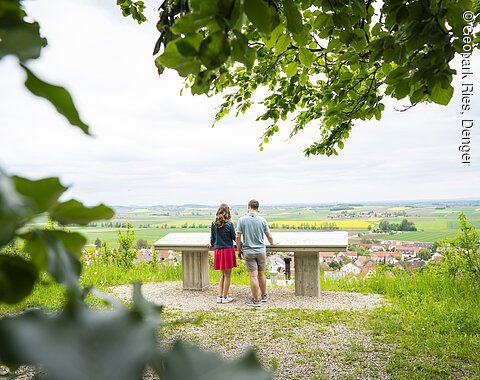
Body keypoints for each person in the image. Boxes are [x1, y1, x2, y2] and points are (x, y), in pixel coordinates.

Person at [236, 199, 275, 307]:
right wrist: (272, 244)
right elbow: (269, 236)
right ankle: (264, 295)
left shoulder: (242, 220)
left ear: (248, 206)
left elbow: (238, 236)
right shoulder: (262, 220)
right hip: (261, 251)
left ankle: (255, 300)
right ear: (258, 208)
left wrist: (239, 250)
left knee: (253, 276)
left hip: (248, 251)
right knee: (261, 274)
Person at [210, 203, 237, 304]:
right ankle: (225, 297)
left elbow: (212, 238)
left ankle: (219, 296)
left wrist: (211, 244)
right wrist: (242, 245)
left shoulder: (214, 223)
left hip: (218, 251)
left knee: (223, 275)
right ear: (228, 212)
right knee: (228, 275)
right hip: (227, 251)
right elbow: (234, 237)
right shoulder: (229, 224)